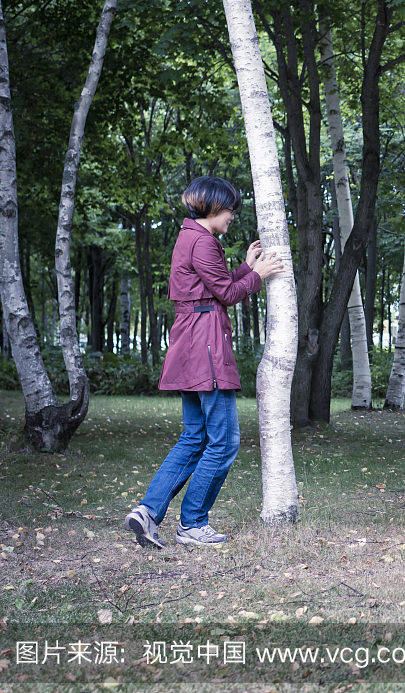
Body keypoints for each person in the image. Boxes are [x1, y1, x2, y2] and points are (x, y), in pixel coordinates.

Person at [125, 176, 283, 548]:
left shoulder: (190, 238)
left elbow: (212, 288)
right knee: (224, 442)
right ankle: (193, 523)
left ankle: (147, 512)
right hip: (207, 349)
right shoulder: (203, 241)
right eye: (229, 209)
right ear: (212, 206)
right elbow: (225, 295)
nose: (232, 216)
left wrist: (246, 268)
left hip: (190, 347)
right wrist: (257, 276)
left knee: (195, 437)